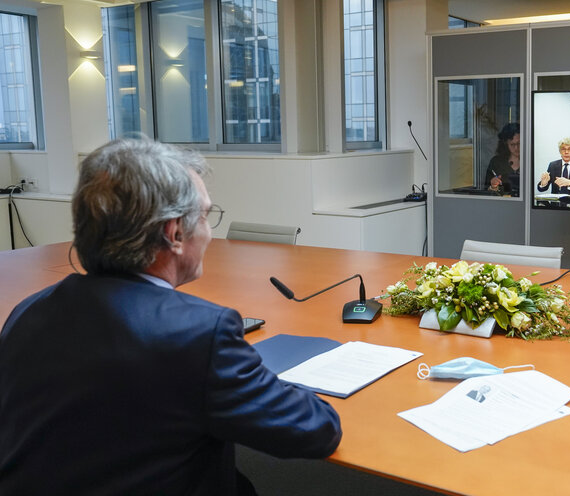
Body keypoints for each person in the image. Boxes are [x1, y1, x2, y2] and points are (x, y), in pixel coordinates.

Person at [0, 138, 342, 495]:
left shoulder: (28, 311)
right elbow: (315, 431)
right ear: (174, 232)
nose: (210, 233)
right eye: (206, 216)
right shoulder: (197, 334)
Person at [485, 122, 520, 196]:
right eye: (512, 144)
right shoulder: (496, 162)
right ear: (506, 144)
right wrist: (492, 186)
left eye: (519, 143)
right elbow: (486, 191)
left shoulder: (530, 162)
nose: (516, 148)